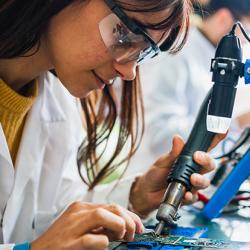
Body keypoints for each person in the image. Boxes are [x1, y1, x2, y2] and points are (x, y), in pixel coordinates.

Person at [0, 1, 220, 249]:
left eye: (142, 53)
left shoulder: (57, 104)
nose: (129, 73)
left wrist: (138, 195)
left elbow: (52, 212)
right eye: (125, 33)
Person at [127, 0, 250, 175]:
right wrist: (236, 122)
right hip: (150, 178)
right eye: (247, 31)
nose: (245, 44)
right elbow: (159, 135)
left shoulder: (210, 57)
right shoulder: (176, 54)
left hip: (189, 180)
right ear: (223, 19)